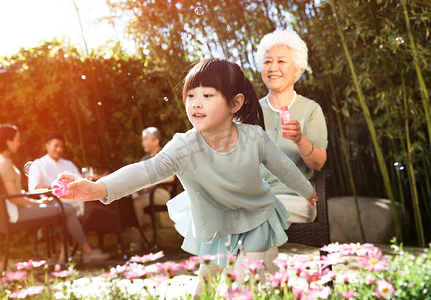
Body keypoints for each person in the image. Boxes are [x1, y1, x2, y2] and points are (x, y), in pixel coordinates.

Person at [56, 58, 318, 294]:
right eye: (190, 95)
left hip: (257, 217)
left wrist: (307, 190)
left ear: (235, 103)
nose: (196, 103)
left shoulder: (254, 138)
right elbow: (146, 171)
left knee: (245, 285)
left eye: (207, 94)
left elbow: (283, 166)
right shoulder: (184, 146)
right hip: (216, 226)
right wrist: (97, 187)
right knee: (205, 288)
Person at [0, 124, 109, 263]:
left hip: (17, 209)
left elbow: (14, 195)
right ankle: (86, 251)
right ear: (7, 141)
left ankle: (67, 252)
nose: (19, 143)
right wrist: (39, 202)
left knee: (64, 209)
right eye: (17, 139)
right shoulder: (4, 163)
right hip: (17, 211)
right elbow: (15, 199)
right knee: (67, 209)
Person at [255, 30, 328, 226]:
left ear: (297, 69)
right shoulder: (250, 110)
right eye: (268, 61)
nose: (273, 67)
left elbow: (318, 163)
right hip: (253, 197)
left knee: (256, 217)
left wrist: (300, 140)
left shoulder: (310, 110)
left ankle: (253, 258)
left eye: (281, 62)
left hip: (295, 198)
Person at [130, 127, 175, 250]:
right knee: (128, 201)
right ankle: (141, 239)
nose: (142, 142)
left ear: (156, 141)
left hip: (161, 192)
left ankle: (138, 242)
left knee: (137, 203)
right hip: (146, 193)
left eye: (145, 139)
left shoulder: (164, 155)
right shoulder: (144, 159)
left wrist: (149, 185)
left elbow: (171, 178)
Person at [28, 133, 84, 217]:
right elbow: (34, 188)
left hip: (71, 196)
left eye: (61, 146)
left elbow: (81, 181)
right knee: (82, 201)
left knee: (85, 198)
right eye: (56, 146)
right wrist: (56, 188)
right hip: (52, 200)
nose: (59, 149)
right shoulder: (38, 164)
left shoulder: (68, 164)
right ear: (47, 146)